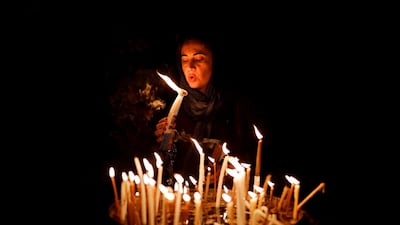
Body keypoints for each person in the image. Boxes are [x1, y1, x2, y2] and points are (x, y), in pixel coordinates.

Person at [154, 32, 266, 186]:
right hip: (184, 199)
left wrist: (231, 170)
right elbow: (166, 168)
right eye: (184, 59)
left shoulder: (237, 107)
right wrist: (166, 144)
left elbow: (253, 155)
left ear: (215, 61)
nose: (190, 66)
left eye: (199, 58)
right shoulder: (174, 108)